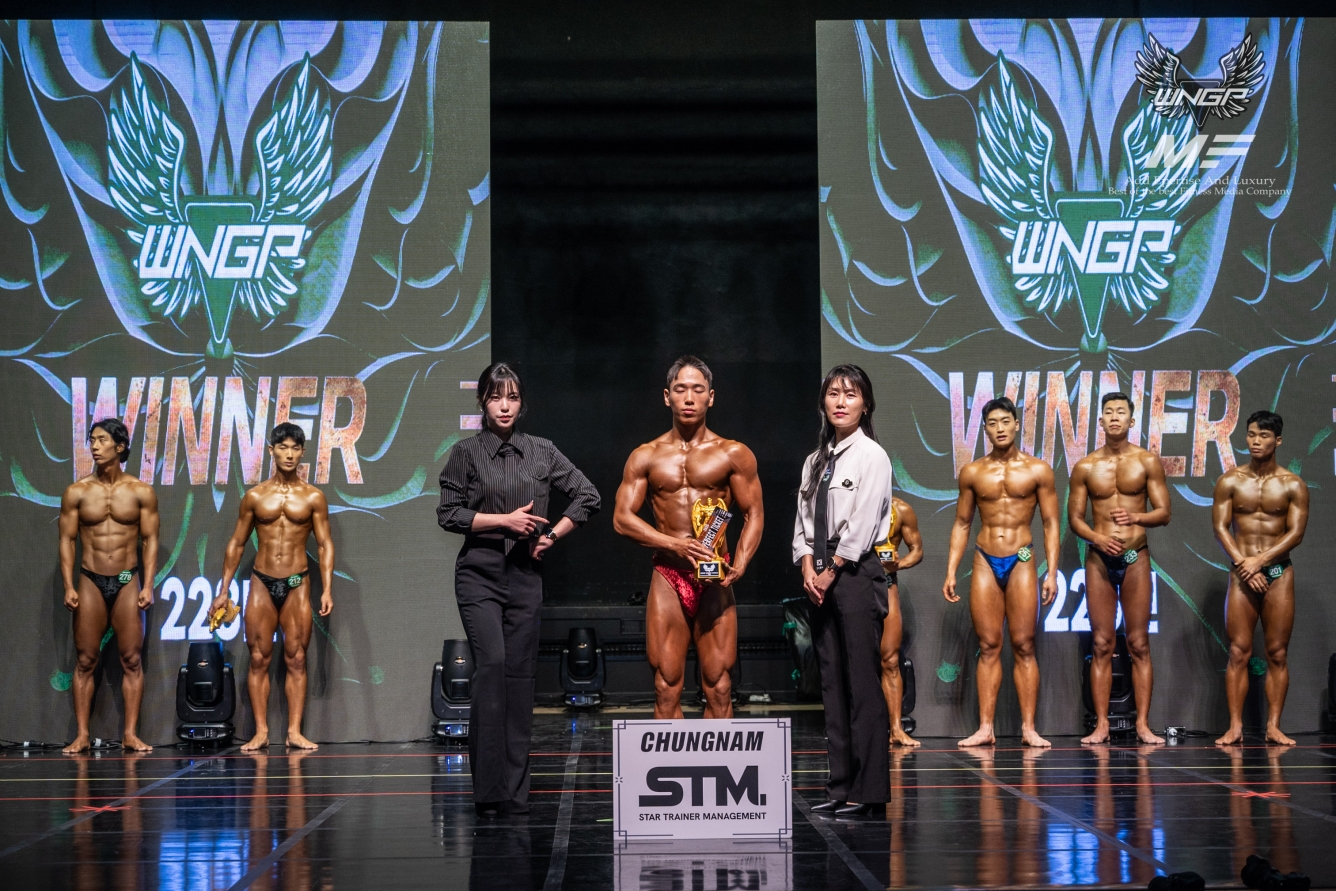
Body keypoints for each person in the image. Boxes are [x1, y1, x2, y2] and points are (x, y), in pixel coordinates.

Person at [437, 362, 600, 817]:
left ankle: (514, 791)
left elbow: (588, 495)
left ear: (521, 403)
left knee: (520, 677)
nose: (504, 406)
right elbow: (448, 513)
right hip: (479, 573)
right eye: (495, 397)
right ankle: (488, 790)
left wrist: (553, 535)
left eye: (511, 397)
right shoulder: (466, 453)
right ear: (482, 402)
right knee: (492, 665)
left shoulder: (541, 451)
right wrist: (503, 521)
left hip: (526, 575)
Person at [613, 356, 764, 719]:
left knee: (720, 686)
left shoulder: (733, 453)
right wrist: (674, 544)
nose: (689, 397)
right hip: (669, 573)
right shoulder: (646, 456)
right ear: (667, 396)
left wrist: (741, 563)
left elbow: (754, 514)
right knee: (666, 686)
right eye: (680, 389)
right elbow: (622, 519)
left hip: (714, 575)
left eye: (698, 389)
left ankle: (718, 756)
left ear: (711, 397)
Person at [794, 364, 893, 816]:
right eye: (833, 393)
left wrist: (831, 569)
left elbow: (864, 521)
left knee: (862, 683)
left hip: (853, 572)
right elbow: (802, 521)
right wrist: (806, 564)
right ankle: (839, 788)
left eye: (850, 394)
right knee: (831, 683)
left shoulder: (872, 455)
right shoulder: (815, 460)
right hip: (817, 571)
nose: (840, 402)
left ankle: (868, 793)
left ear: (865, 404)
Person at [209, 422, 334, 752]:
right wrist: (223, 590)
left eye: (295, 448)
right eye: (283, 447)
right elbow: (237, 543)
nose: (289, 454)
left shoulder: (313, 497)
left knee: (297, 659)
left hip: (296, 583)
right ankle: (261, 731)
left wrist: (327, 589)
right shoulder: (255, 496)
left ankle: (294, 731)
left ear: (302, 453)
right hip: (262, 582)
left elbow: (324, 545)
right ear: (271, 451)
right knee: (258, 658)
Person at [943, 396, 1059, 748]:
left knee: (1024, 645)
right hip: (985, 557)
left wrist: (1052, 572)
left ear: (1016, 424)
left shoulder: (1038, 470)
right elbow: (962, 523)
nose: (1000, 428)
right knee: (988, 645)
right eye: (992, 423)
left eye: (1005, 421)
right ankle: (985, 728)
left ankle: (1028, 728)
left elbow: (1051, 523)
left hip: (1022, 557)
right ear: (985, 429)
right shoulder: (973, 472)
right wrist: (951, 571)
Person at [1068, 392, 1172, 745]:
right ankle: (1101, 725)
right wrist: (1098, 539)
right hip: (1099, 559)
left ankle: (1143, 724)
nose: (1114, 417)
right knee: (1101, 643)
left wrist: (1136, 517)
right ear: (1101, 421)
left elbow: (1164, 513)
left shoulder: (1147, 461)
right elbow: (1074, 519)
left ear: (1131, 420)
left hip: (1134, 556)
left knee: (1139, 643)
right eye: (1109, 412)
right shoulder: (1085, 467)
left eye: (1121, 412)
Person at [58, 418, 159, 754]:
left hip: (128, 579)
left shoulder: (141, 492)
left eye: (101, 440)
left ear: (120, 446)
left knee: (131, 659)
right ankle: (82, 735)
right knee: (86, 659)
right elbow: (67, 540)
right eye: (92, 440)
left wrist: (148, 584)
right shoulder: (77, 492)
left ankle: (130, 734)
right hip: (90, 579)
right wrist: (68, 585)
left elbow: (150, 539)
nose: (94, 446)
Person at [1211, 410, 1308, 746]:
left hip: (1278, 573)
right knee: (1239, 651)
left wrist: (1261, 562)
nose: (1256, 441)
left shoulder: (1292, 484)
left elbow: (1296, 533)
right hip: (1242, 573)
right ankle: (1235, 726)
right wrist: (1244, 565)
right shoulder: (1230, 480)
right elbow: (1220, 527)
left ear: (1277, 441)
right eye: (1252, 434)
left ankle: (1273, 726)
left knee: (1277, 652)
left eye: (1264, 436)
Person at [880, 496, 923, 748]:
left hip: (886, 584)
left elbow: (917, 549)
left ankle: (896, 729)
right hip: (854, 585)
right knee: (854, 661)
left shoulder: (900, 509)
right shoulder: (848, 503)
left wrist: (898, 564)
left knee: (891, 660)